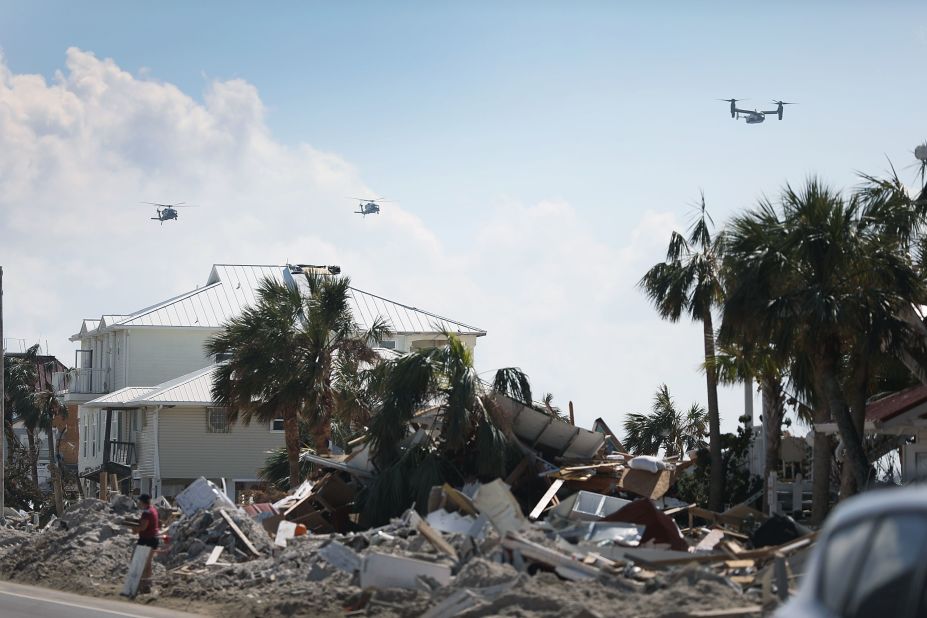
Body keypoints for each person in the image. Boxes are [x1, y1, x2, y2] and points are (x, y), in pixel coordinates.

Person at [132, 494, 160, 593]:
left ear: (142, 502)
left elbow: (143, 527)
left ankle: (144, 584)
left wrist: (135, 529)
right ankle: (146, 583)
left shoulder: (147, 513)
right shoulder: (152, 510)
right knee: (146, 563)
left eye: (139, 501)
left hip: (147, 539)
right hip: (151, 539)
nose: (138, 503)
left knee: (143, 563)